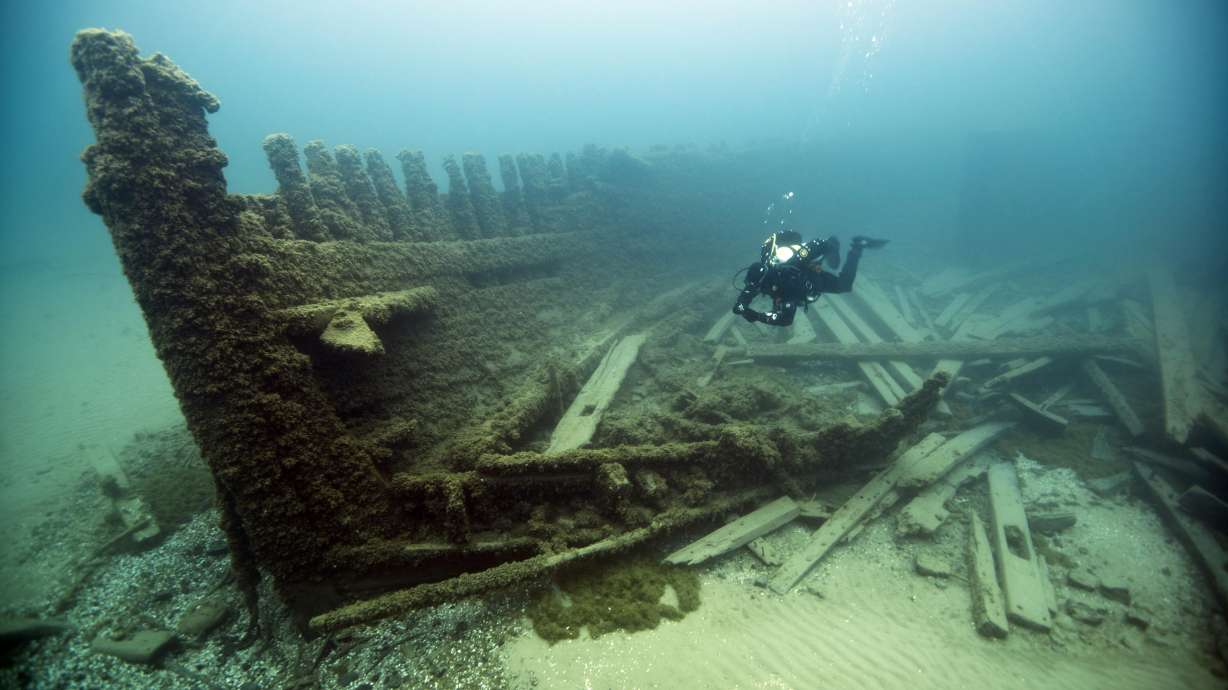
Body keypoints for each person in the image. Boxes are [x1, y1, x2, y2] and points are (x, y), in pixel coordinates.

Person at [732, 230, 888, 326]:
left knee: (841, 280)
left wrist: (756, 316)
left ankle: (846, 246)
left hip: (812, 278)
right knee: (842, 282)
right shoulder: (763, 276)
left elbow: (785, 320)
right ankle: (855, 246)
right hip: (808, 271)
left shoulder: (785, 286)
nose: (758, 291)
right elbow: (743, 300)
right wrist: (742, 308)